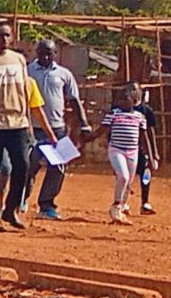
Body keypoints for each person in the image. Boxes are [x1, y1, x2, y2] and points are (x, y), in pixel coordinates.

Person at [27, 40, 90, 220]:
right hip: (34, 128)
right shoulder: (27, 72)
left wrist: (84, 124)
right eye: (42, 53)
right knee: (29, 165)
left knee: (59, 167)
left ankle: (46, 205)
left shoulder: (64, 74)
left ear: (55, 54)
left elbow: (74, 100)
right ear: (36, 53)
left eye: (49, 53)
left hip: (58, 129)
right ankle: (20, 198)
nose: (45, 57)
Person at [101, 84, 154, 225]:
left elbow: (144, 138)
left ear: (134, 100)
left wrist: (152, 157)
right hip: (116, 149)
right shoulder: (114, 114)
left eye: (126, 99)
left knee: (128, 181)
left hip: (133, 151)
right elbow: (101, 130)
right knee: (123, 176)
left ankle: (120, 209)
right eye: (121, 99)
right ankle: (115, 206)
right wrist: (84, 140)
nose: (122, 102)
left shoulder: (140, 117)